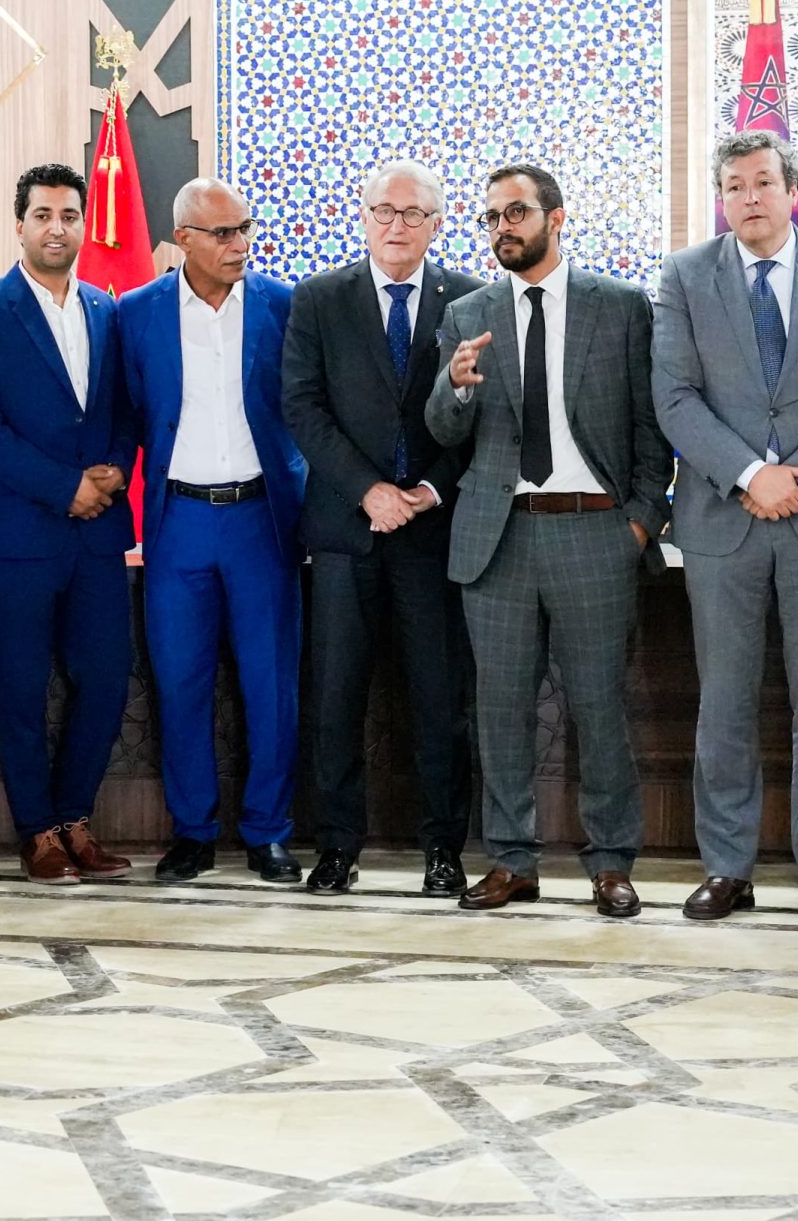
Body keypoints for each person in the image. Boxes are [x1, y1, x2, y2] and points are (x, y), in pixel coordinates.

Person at [654, 131, 798, 927]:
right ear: (720, 197)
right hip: (723, 516)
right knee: (724, 698)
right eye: (734, 185)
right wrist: (751, 473)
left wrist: (795, 480)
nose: (749, 197)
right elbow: (675, 396)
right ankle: (728, 866)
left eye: (763, 182)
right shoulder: (684, 276)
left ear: (793, 189)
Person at [427, 164, 669, 918]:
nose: (503, 227)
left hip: (594, 531)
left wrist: (639, 521)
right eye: (492, 217)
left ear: (555, 218)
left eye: (517, 213)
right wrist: (455, 385)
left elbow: (650, 427)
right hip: (497, 538)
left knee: (599, 707)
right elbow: (444, 430)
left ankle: (611, 862)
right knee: (499, 711)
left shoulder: (620, 306)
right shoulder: (468, 314)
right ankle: (511, 860)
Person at [284, 161, 481, 897]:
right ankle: (337, 847)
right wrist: (368, 490)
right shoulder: (319, 298)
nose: (397, 225)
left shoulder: (470, 299)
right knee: (336, 699)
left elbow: (482, 418)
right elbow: (302, 407)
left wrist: (429, 489)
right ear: (363, 217)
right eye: (384, 211)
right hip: (346, 531)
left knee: (440, 701)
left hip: (434, 532)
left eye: (413, 213)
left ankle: (443, 850)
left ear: (437, 223)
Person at [0, 163, 139, 887]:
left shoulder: (106, 310)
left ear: (84, 224)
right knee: (23, 687)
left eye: (69, 215)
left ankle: (77, 819)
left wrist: (113, 470)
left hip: (98, 535)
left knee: (106, 679)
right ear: (19, 225)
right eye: (43, 215)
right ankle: (38, 832)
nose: (57, 228)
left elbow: (125, 408)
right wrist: (66, 489)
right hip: (20, 536)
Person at [119, 178, 306, 884]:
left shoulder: (283, 305)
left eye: (244, 229)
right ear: (183, 240)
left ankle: (268, 831)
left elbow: (308, 409)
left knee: (270, 682)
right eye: (222, 232)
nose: (239, 244)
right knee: (181, 681)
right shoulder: (137, 313)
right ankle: (193, 832)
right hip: (179, 521)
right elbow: (125, 413)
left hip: (262, 518)